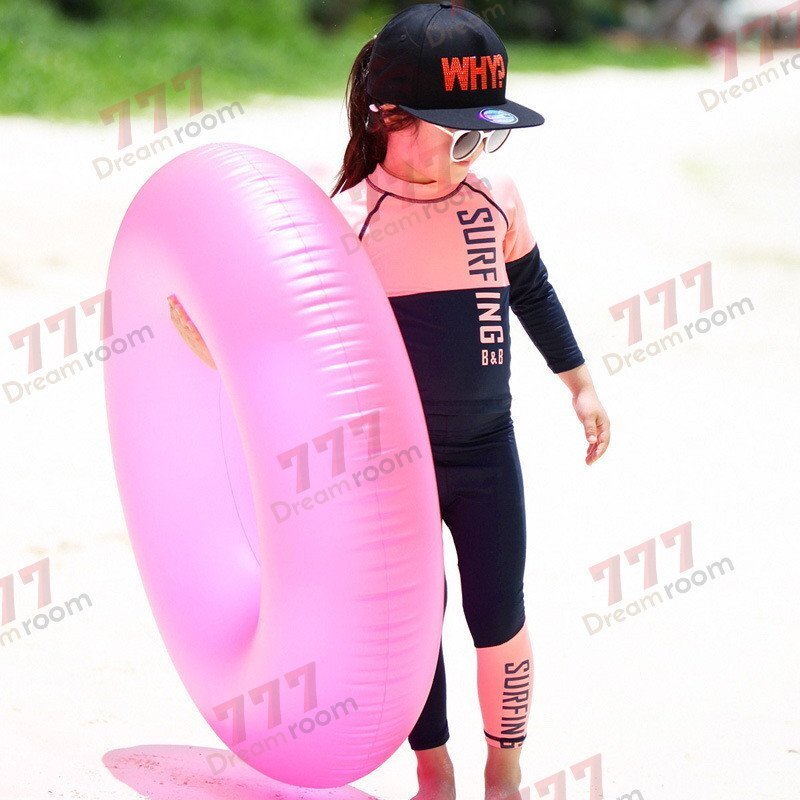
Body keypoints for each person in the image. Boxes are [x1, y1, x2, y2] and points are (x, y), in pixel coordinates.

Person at [329, 4, 610, 800]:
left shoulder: (495, 199)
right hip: (395, 464)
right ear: (391, 117)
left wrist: (580, 383)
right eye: (459, 136)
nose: (474, 154)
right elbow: (296, 341)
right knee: (417, 619)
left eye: (486, 137)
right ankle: (433, 767)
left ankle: (505, 767)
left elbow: (534, 291)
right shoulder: (351, 221)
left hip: (489, 449)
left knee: (500, 614)